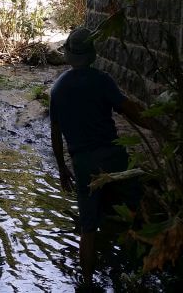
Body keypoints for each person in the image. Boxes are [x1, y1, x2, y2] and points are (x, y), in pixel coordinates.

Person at [50, 27, 150, 287]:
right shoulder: (103, 80)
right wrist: (159, 127)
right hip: (114, 157)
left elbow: (56, 135)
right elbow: (130, 111)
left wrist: (62, 169)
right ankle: (139, 271)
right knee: (135, 209)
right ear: (92, 55)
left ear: (70, 55)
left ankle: (86, 281)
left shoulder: (58, 89)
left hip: (82, 164)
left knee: (88, 228)